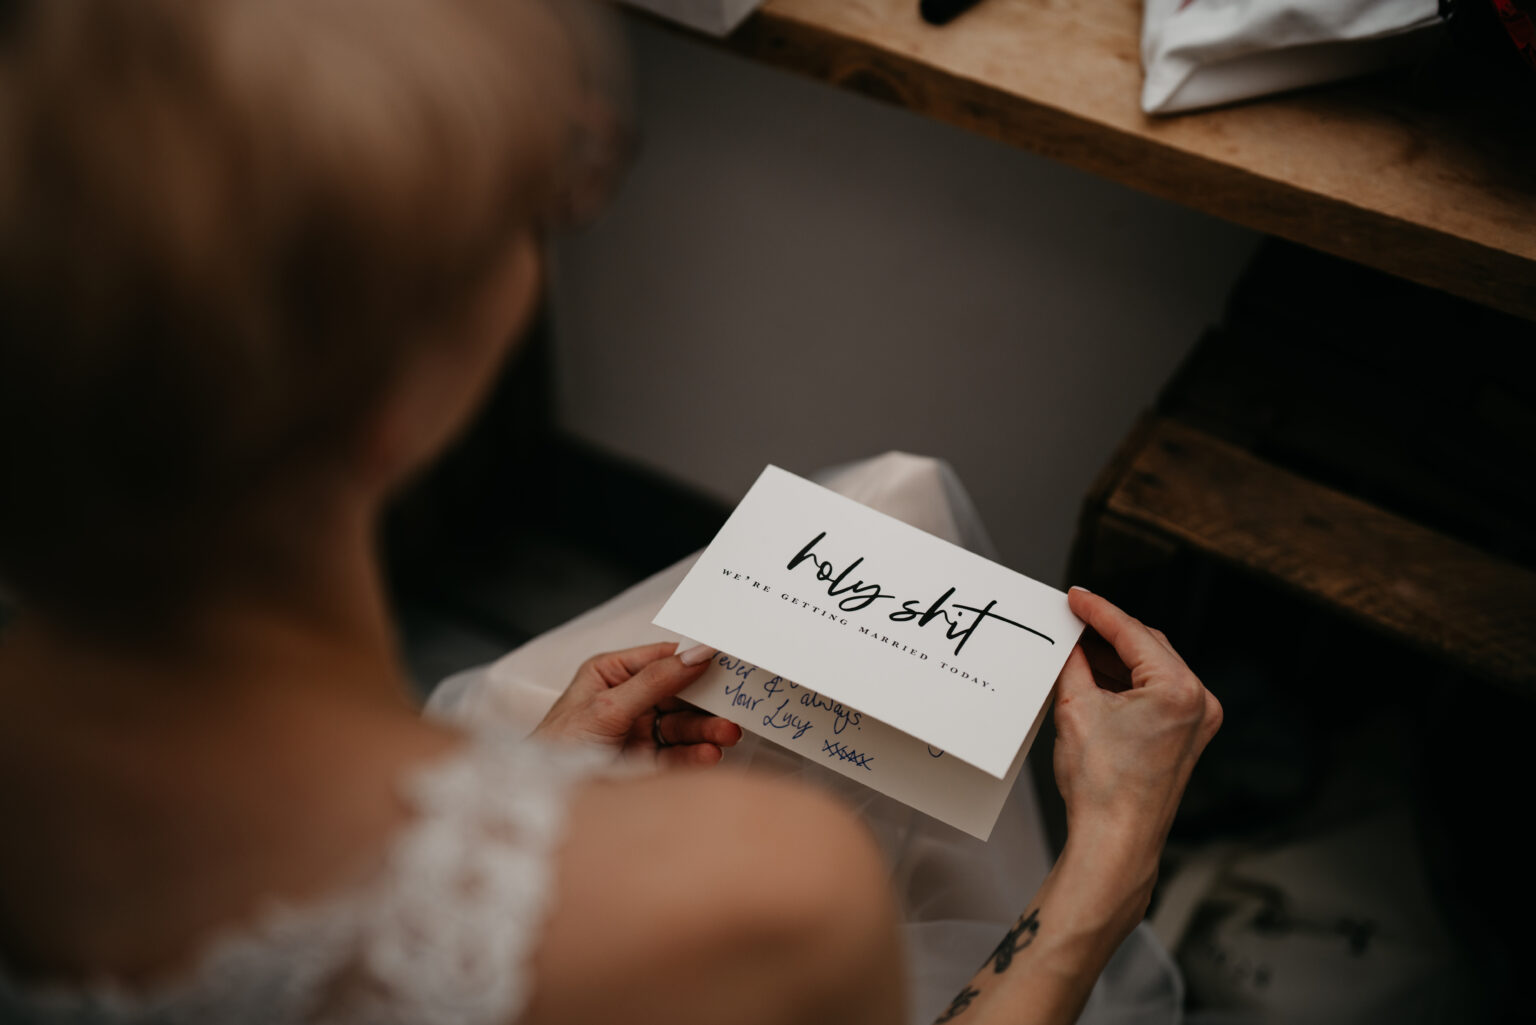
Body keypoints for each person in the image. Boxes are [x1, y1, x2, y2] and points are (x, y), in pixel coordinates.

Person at [0, 2, 1222, 1024]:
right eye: (525, 220)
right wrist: (1106, 869)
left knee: (887, 504)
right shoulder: (756, 898)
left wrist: (522, 795)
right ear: (396, 384)